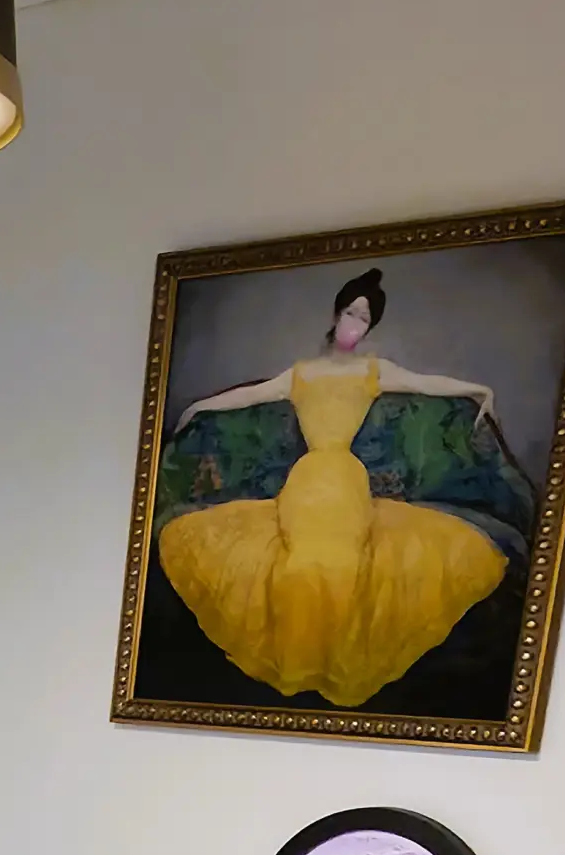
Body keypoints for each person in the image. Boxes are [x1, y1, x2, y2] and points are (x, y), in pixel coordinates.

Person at [154, 267, 523, 709]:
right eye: (351, 313)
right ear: (337, 312)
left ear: (370, 328)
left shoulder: (374, 370)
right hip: (307, 479)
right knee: (298, 561)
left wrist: (481, 391)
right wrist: (194, 409)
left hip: (346, 478)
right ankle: (300, 661)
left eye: (364, 319)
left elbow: (429, 384)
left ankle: (331, 663)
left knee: (346, 562)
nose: (355, 324)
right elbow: (243, 398)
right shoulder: (301, 375)